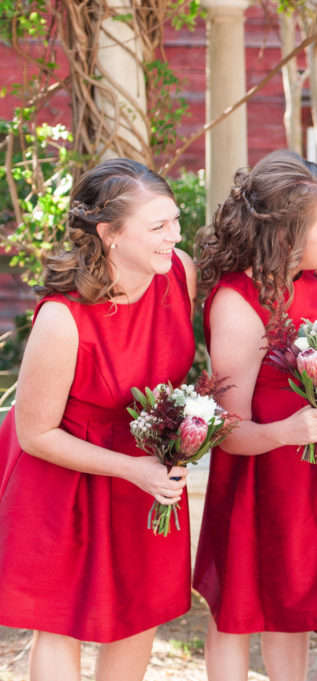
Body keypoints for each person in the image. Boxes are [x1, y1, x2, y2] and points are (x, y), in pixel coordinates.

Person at [0, 159, 195, 680]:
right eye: (158, 227)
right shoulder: (63, 319)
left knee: (142, 610)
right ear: (109, 234)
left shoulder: (181, 274)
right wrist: (132, 470)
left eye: (174, 221)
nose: (173, 236)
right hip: (62, 470)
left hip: (148, 466)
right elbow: (34, 432)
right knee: (58, 619)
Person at [192, 150, 317, 681]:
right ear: (286, 232)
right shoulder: (238, 301)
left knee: (293, 607)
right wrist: (287, 432)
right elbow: (225, 429)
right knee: (236, 610)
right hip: (259, 475)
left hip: (312, 472)